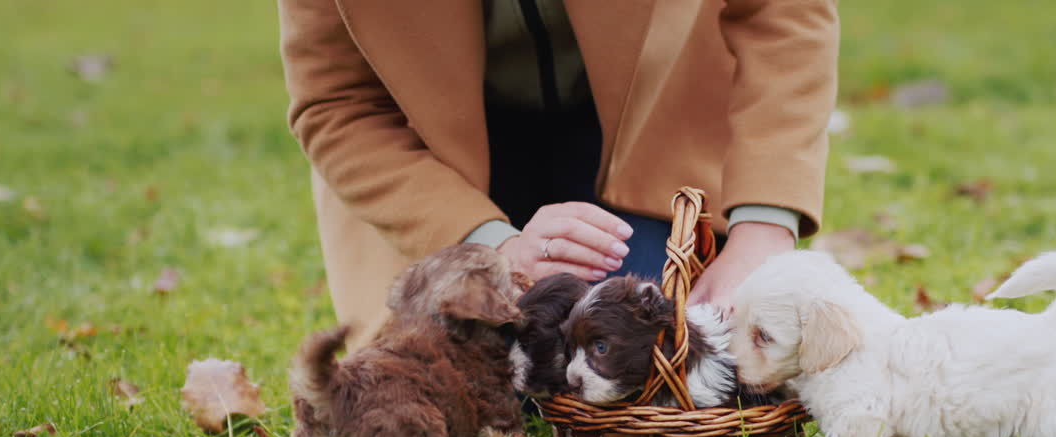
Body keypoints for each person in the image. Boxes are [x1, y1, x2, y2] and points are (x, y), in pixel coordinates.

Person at [279, 1, 839, 350]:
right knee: (472, 379)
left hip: (647, 134)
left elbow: (781, 14)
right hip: (437, 168)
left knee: (651, 346)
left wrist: (762, 230)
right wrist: (489, 248)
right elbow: (336, 104)